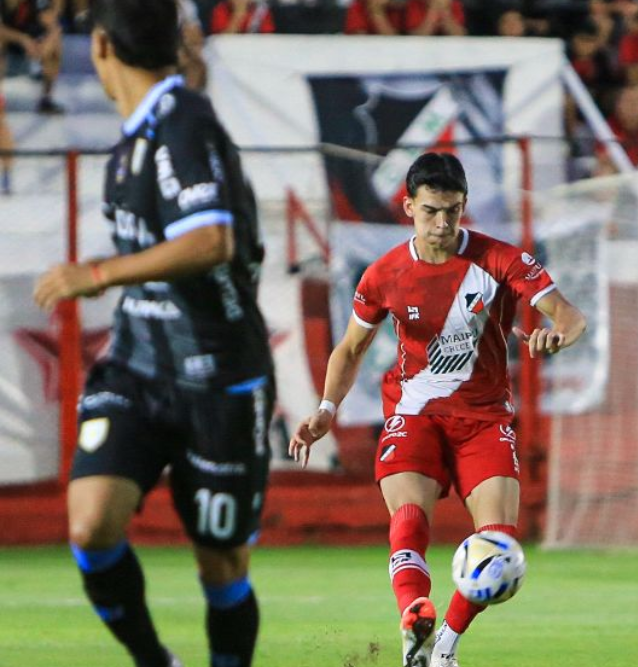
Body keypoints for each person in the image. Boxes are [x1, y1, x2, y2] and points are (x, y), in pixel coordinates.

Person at [32, 1, 274, 666]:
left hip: (220, 374)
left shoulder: (183, 122)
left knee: (221, 562)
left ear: (103, 46)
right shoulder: (136, 135)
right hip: (140, 365)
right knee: (89, 522)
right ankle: (154, 662)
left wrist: (100, 272)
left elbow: (212, 238)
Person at [288, 152, 586, 667]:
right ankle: (414, 620)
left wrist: (558, 335)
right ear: (408, 207)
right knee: (408, 519)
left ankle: (442, 644)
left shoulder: (502, 260)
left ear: (464, 205)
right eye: (430, 211)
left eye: (452, 210)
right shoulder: (383, 274)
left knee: (499, 546)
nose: (443, 223)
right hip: (415, 413)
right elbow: (351, 349)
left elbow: (570, 316)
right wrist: (326, 408)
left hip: (485, 419)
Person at [0, 0, 63, 113]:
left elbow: (53, 25)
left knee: (55, 43)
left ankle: (46, 100)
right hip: (10, 40)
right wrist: (22, 39)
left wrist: (46, 43)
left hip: (28, 43)